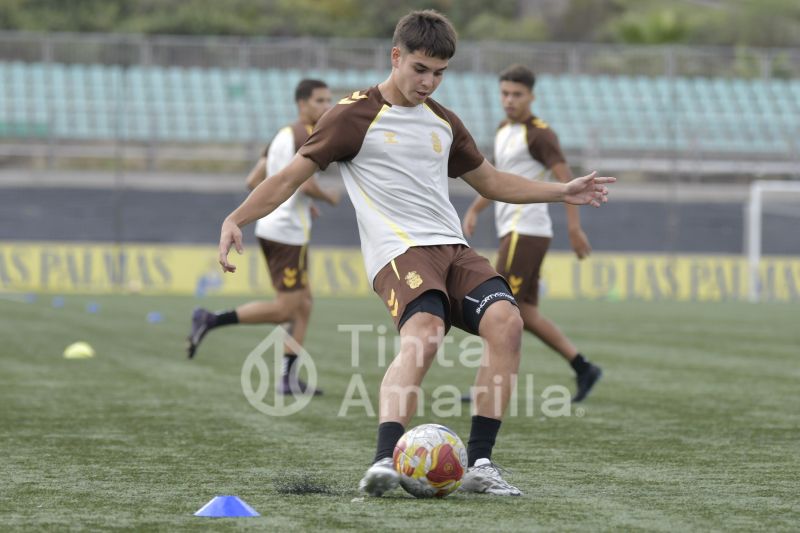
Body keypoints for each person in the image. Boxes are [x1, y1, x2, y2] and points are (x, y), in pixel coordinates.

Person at [217, 10, 613, 496]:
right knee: (425, 334)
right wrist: (236, 219)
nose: (429, 82)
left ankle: (482, 465)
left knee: (508, 322)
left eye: (440, 73)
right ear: (396, 56)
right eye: (420, 69)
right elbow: (287, 178)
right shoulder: (352, 115)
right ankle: (384, 460)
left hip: (454, 249)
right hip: (399, 252)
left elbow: (490, 181)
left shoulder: (444, 122)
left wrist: (561, 190)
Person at [187, 79, 340, 397]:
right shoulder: (304, 134)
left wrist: (295, 201)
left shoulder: (281, 135)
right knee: (287, 309)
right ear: (302, 104)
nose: (327, 107)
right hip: (287, 234)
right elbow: (304, 182)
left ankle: (288, 377)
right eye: (320, 101)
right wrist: (325, 197)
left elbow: (253, 180)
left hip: (273, 226)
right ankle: (211, 319)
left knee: (305, 304)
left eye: (329, 101)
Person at [461, 64, 602, 403]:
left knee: (496, 307)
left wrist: (574, 227)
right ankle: (583, 367)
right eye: (505, 94)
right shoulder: (502, 130)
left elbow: (567, 181)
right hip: (514, 229)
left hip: (525, 230)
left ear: (532, 96)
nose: (510, 100)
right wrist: (475, 210)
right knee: (524, 311)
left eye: (517, 94)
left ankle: (487, 383)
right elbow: (498, 179)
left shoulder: (540, 134)